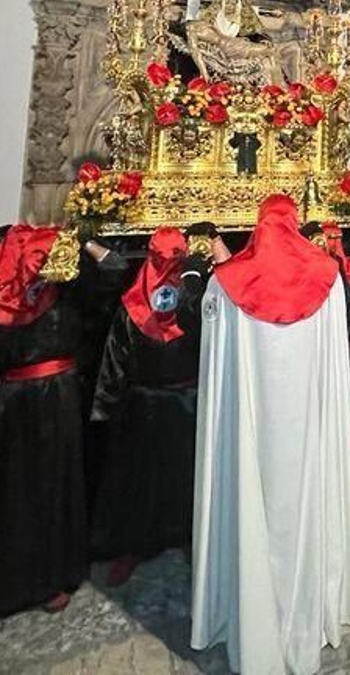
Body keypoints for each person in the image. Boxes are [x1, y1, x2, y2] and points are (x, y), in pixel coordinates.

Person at [192, 195, 350, 669]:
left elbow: (213, 368)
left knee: (249, 493)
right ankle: (310, 605)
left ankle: (245, 612)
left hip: (248, 428)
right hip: (308, 421)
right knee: (303, 493)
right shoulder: (328, 278)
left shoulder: (223, 283)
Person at [0, 226, 85, 638]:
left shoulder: (70, 298)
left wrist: (85, 241)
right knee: (5, 497)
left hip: (59, 400)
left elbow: (113, 271)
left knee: (54, 489)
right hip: (12, 405)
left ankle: (54, 579)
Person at [89, 227, 202, 587]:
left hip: (189, 397)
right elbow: (116, 354)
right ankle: (135, 544)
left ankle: (191, 535)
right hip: (145, 401)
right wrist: (106, 405)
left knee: (190, 474)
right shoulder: (132, 303)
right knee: (141, 476)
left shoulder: (195, 296)